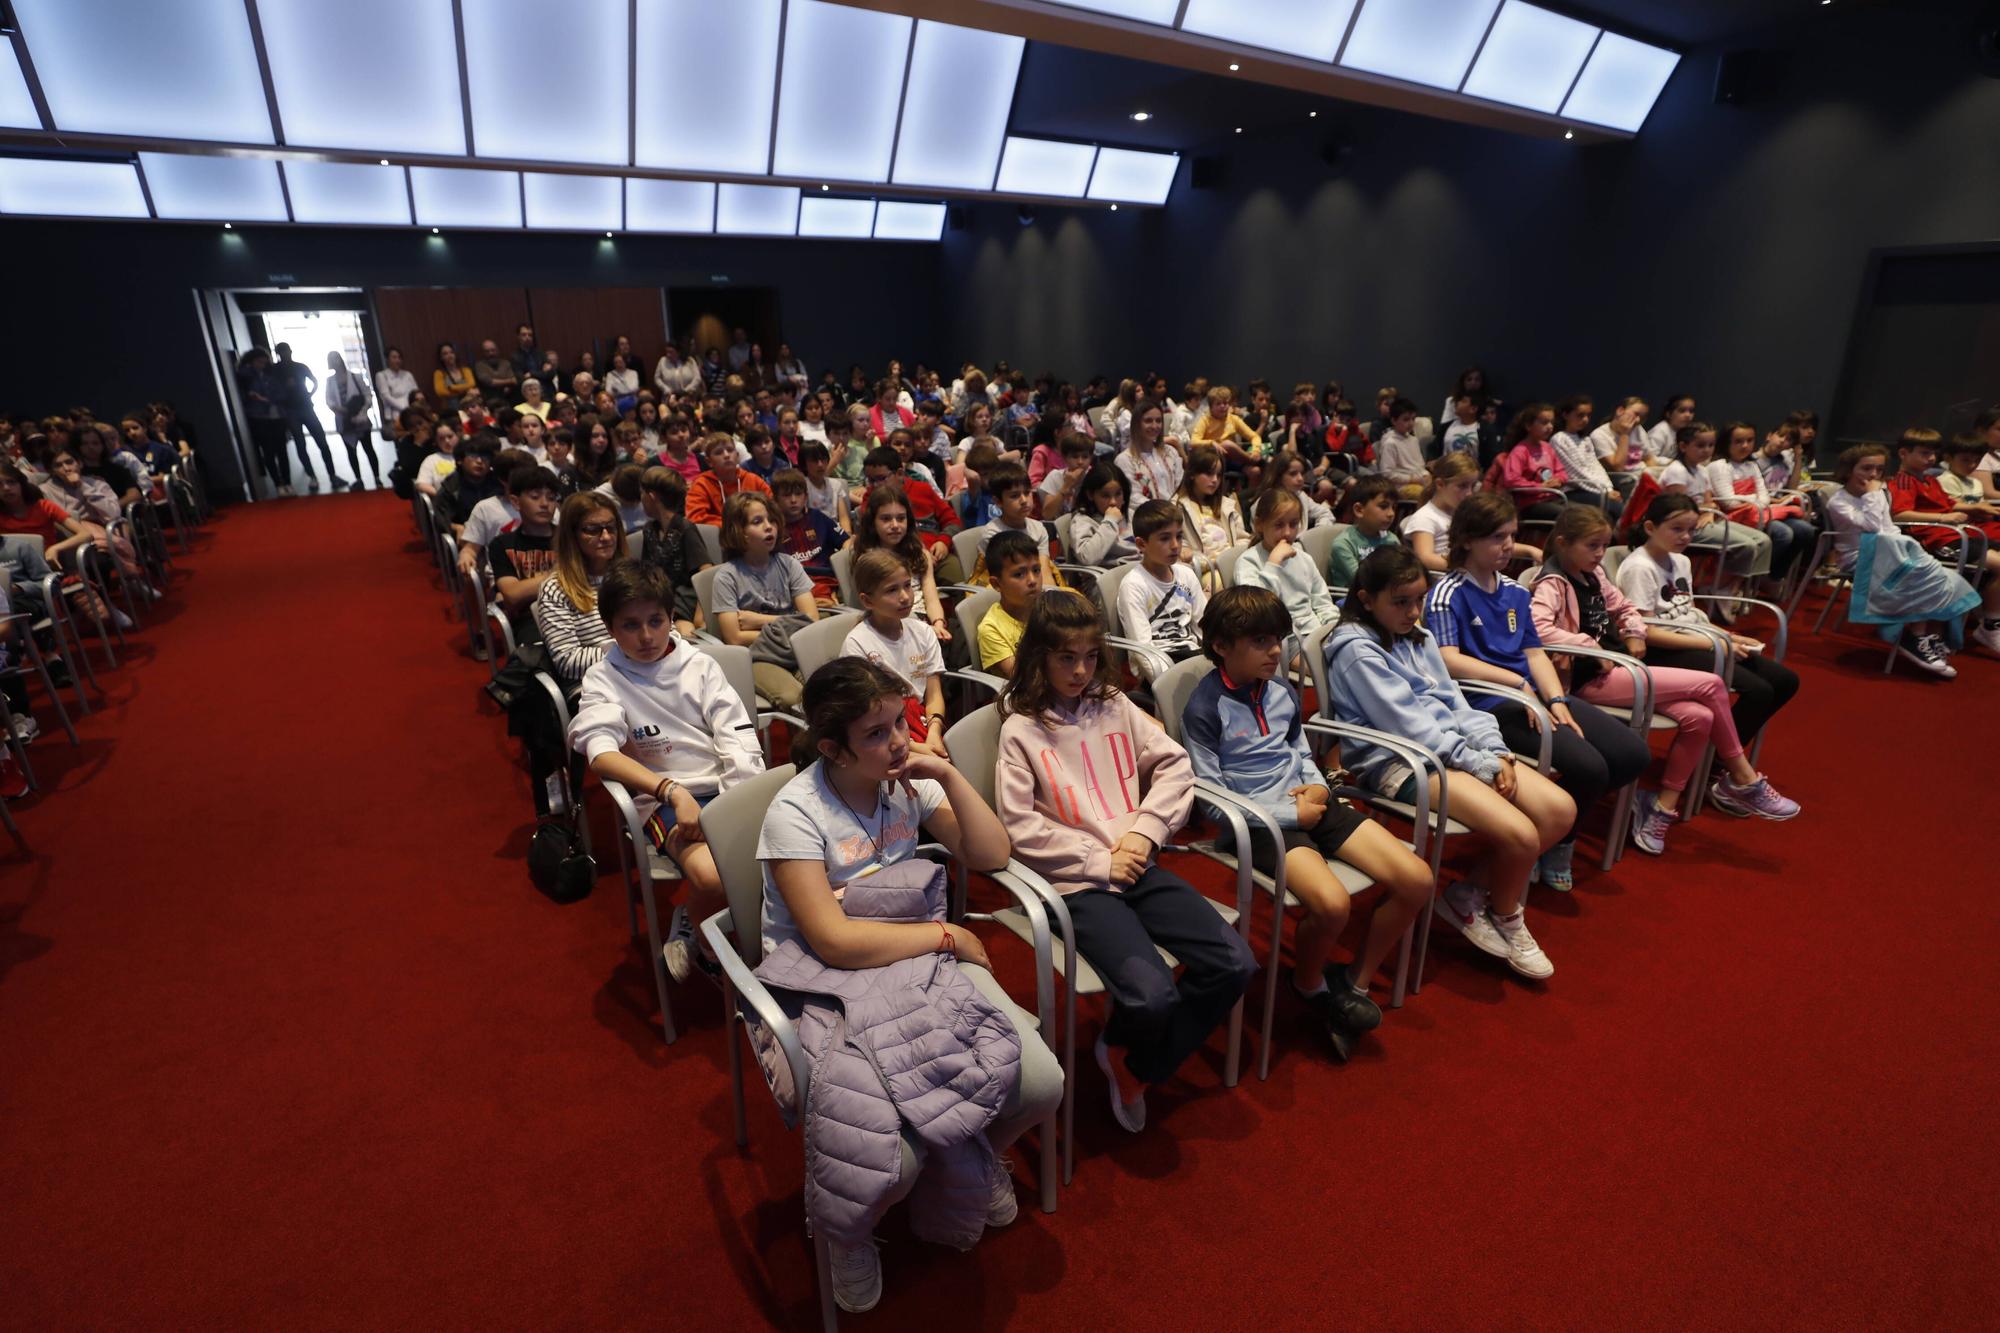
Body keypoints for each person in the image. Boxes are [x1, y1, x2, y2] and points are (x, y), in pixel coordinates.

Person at [758, 656, 1061, 1313]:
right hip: (823, 977)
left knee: (1042, 1085)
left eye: (902, 721)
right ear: (833, 747)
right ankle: (849, 1231)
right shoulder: (795, 812)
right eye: (877, 732)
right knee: (893, 1159)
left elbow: (990, 854)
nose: (899, 740)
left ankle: (972, 1151)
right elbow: (831, 939)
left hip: (909, 959)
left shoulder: (906, 781)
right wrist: (945, 936)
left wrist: (946, 773)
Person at [995, 589, 1255, 1132]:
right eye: (1066, 657)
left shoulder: (1113, 703)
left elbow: (1176, 767)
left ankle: (1133, 1060)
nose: (1081, 669)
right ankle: (1133, 1044)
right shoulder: (1020, 729)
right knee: (1152, 996)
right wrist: (1097, 861)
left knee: (1235, 964)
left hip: (1137, 862)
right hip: (1078, 885)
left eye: (1090, 656)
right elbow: (1019, 828)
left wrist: (1145, 833)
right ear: (1040, 655)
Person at [1184, 586, 1431, 1056]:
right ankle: (1310, 983)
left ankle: (1352, 986)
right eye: (1260, 641)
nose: (1276, 650)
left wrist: (1318, 785)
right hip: (1254, 821)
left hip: (1308, 800)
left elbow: (1299, 752)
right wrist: (1287, 813)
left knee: (1416, 879)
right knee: (1333, 904)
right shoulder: (1203, 707)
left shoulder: (1279, 691)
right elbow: (1211, 802)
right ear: (1220, 646)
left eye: (1277, 638)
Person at [1327, 547, 1570, 978]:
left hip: (1453, 751)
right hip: (1399, 762)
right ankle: (1508, 914)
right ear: (1366, 599)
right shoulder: (1354, 649)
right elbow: (1409, 727)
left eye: (1419, 599)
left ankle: (1469, 894)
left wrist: (1494, 751)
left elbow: (1457, 704)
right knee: (1522, 836)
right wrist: (1479, 763)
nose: (1413, 611)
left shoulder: (1417, 637)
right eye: (1400, 602)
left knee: (1559, 811)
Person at [1530, 505, 1799, 854]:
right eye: (1592, 547)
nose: (1600, 555)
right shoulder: (1552, 581)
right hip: (1586, 679)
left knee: (1700, 716)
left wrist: (1633, 631)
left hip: (1617, 667)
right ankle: (1742, 777)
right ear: (1564, 544)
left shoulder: (1593, 575)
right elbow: (1538, 630)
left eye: (1603, 547)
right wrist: (1589, 646)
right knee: (1712, 684)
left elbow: (1625, 608)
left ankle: (1659, 807)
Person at [1424, 492, 1650, 893]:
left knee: (1632, 755)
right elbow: (1448, 661)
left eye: (1510, 535)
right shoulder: (1447, 592)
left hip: (1529, 696)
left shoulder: (1513, 590)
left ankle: (1548, 838)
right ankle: (1544, 842)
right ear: (1466, 540)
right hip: (1486, 704)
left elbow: (1533, 652)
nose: (1507, 546)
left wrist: (1557, 699)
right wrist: (1519, 685)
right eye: (1496, 537)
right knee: (1590, 768)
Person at [570, 560, 760, 982]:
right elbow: (600, 754)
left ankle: (735, 925)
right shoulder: (604, 678)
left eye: (656, 621)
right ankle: (709, 946)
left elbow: (736, 736)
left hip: (727, 787)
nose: (646, 636)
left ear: (670, 618)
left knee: (794, 851)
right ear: (610, 627)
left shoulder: (700, 665)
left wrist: (733, 803)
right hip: (663, 799)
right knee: (711, 878)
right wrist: (673, 792)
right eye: (630, 625)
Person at [1615, 493, 1803, 760]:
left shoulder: (1681, 560)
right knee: (1759, 691)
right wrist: (1718, 644)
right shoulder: (1639, 567)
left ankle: (1716, 758)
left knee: (1786, 681)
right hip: (1663, 650)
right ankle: (1718, 762)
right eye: (1676, 529)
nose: (1685, 537)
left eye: (1691, 530)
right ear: (1650, 528)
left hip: (1697, 639)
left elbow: (1686, 612)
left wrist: (1728, 635)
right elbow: (1647, 631)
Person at [1885, 426, 2000, 653]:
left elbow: (1948, 503)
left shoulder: (1929, 480)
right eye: (1924, 453)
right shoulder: (1904, 481)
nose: (1931, 459)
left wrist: (1973, 506)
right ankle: (1991, 625)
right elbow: (1899, 514)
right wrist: (1943, 518)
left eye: (1933, 454)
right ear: (1903, 454)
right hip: (1938, 542)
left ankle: (1990, 620)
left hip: (1960, 535)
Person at [711, 492, 819, 710]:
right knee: (793, 698)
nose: (769, 527)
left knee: (826, 688)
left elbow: (811, 620)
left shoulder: (788, 564)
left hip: (793, 649)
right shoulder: (727, 576)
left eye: (771, 520)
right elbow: (734, 638)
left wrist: (758, 619)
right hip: (759, 657)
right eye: (757, 522)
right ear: (738, 532)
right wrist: (789, 627)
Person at [842, 548, 948, 757]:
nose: (905, 597)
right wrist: (917, 748)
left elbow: (933, 694)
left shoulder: (924, 631)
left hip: (924, 723)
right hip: (884, 732)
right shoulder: (857, 643)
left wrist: (934, 733)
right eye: (892, 590)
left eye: (907, 585)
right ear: (867, 601)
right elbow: (867, 716)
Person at [1658, 421, 1775, 583]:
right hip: (1685, 527)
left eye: (1710, 445)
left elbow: (1709, 502)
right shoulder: (1676, 471)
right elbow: (1680, 510)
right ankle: (1720, 586)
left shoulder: (1702, 470)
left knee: (1763, 541)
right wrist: (1708, 509)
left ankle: (1735, 586)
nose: (1706, 450)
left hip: (1705, 519)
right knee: (1747, 545)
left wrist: (1708, 511)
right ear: (1683, 446)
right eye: (1700, 445)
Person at [532, 490, 623, 689]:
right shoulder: (556, 589)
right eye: (592, 529)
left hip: (645, 670)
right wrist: (630, 651)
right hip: (596, 685)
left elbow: (667, 629)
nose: (606, 537)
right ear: (572, 536)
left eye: (611, 527)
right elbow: (567, 662)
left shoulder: (632, 574)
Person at [1719, 421, 1817, 590]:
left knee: (1805, 530)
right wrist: (1765, 500)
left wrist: (1798, 458)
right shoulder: (1754, 461)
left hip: (1770, 507)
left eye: (1788, 441)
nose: (1782, 442)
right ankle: (1750, 580)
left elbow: (1788, 489)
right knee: (1783, 533)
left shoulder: (1782, 462)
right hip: (1752, 509)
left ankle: (1772, 575)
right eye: (1780, 436)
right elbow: (1735, 498)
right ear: (1769, 435)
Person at [1116, 499, 1207, 673]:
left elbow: (1205, 626)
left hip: (1192, 655)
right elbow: (1144, 653)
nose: (1175, 545)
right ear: (1142, 544)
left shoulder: (1186, 574)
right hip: (1160, 662)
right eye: (1165, 538)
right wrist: (1164, 691)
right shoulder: (1134, 585)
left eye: (1179, 536)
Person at [854, 483, 953, 641]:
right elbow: (878, 610)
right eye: (886, 519)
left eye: (901, 518)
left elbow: (931, 596)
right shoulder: (868, 561)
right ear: (873, 522)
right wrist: (923, 629)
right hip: (893, 625)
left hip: (927, 622)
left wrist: (938, 623)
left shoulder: (920, 554)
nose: (895, 525)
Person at [1238, 488, 1338, 639]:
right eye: (1279, 525)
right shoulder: (1248, 561)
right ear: (1259, 525)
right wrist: (1273, 563)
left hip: (1314, 632)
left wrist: (1333, 628)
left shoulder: (1304, 558)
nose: (1287, 533)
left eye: (1293, 524)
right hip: (1280, 637)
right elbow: (1256, 610)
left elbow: (1323, 603)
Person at [488, 465, 560, 640]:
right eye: (535, 497)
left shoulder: (569, 538)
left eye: (551, 498)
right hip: (531, 622)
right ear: (515, 502)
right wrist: (563, 574)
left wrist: (530, 586)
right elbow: (513, 595)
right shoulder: (502, 544)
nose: (544, 504)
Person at [1175, 445, 1248, 590]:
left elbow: (1242, 538)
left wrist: (1234, 558)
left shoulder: (1227, 505)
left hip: (1233, 563)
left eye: (1219, 475)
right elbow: (1182, 549)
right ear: (1192, 474)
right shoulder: (1178, 507)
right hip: (1206, 570)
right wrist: (1212, 562)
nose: (1215, 480)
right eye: (1209, 474)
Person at [975, 529, 1042, 678]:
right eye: (1019, 574)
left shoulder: (1049, 608)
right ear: (996, 584)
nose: (1032, 580)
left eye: (1036, 570)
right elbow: (1023, 678)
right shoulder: (991, 628)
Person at [772, 468, 844, 605]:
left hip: (826, 582)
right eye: (787, 496)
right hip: (792, 588)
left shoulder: (818, 518)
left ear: (806, 497)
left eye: (798, 494)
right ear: (775, 499)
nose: (793, 500)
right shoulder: (772, 528)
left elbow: (847, 542)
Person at [273, 343, 336, 492]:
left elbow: (314, 381)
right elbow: (314, 382)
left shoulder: (297, 367)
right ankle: (314, 476)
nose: (285, 355)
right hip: (293, 410)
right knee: (302, 445)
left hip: (304, 407)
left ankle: (330, 475)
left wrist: (309, 394)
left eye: (285, 352)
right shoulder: (277, 370)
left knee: (320, 442)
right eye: (282, 353)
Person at [1403, 454, 1480, 574]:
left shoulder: (1464, 514)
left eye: (1473, 486)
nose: (1469, 493)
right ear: (1440, 484)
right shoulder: (1425, 517)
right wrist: (1469, 566)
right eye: (1462, 486)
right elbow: (1425, 558)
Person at [1325, 476, 1400, 590]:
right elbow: (1362, 583)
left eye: (1393, 507)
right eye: (1383, 506)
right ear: (1359, 510)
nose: (1391, 513)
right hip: (1348, 600)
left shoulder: (1391, 540)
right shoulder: (1343, 544)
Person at [1497, 403, 1568, 522]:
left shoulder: (1548, 448)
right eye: (1544, 422)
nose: (1550, 427)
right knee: (1570, 517)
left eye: (1551, 422)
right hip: (1530, 504)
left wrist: (1558, 479)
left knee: (1585, 513)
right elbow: (1512, 480)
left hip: (1552, 498)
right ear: (1528, 426)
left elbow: (1561, 472)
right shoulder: (1520, 451)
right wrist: (1540, 487)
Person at [685, 432, 773, 527]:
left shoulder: (753, 479)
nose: (726, 455)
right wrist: (735, 526)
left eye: (730, 450)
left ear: (737, 456)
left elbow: (773, 507)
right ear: (709, 461)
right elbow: (695, 517)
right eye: (719, 452)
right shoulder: (701, 484)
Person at [324, 351, 378, 491]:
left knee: (368, 448)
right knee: (350, 451)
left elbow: (367, 395)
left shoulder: (355, 377)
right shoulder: (330, 381)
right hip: (344, 420)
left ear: (341, 360)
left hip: (360, 418)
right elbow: (329, 400)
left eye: (336, 358)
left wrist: (363, 411)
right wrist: (337, 409)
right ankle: (358, 479)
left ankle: (377, 478)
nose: (335, 361)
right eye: (332, 359)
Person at [1066, 461, 1136, 567]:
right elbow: (1087, 558)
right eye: (1105, 496)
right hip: (1108, 576)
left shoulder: (1130, 514)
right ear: (1090, 495)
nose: (1113, 502)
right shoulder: (1082, 521)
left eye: (1118, 494)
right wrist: (1110, 521)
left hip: (1138, 569)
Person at [1115, 398, 1185, 506]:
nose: (1154, 426)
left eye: (1158, 421)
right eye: (1148, 421)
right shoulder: (1124, 459)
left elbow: (1182, 485)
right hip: (1147, 517)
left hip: (1176, 511)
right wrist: (1165, 509)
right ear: (1136, 424)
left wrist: (1176, 506)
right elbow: (1133, 497)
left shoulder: (1170, 452)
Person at [1373, 397, 1427, 501]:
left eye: (1413, 419)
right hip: (1401, 487)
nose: (1411, 423)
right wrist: (1412, 479)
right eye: (1406, 419)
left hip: (1418, 480)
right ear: (1393, 420)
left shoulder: (1414, 440)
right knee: (1425, 495)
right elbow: (1387, 474)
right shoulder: (1390, 443)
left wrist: (1425, 475)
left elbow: (1420, 465)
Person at [1035, 432, 1095, 520]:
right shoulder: (1054, 476)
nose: (1080, 462)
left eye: (1085, 457)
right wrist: (1066, 486)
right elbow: (1047, 515)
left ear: (1091, 458)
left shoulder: (1094, 477)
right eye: (1075, 457)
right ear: (1064, 458)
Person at [374, 346, 418, 426]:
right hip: (394, 415)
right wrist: (404, 408)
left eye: (399, 358)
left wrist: (412, 407)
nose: (397, 360)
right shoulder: (382, 375)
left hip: (412, 412)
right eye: (394, 357)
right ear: (387, 359)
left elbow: (416, 393)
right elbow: (386, 397)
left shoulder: (407, 374)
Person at [434, 342, 478, 412]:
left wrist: (453, 387)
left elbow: (472, 384)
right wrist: (466, 390)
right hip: (452, 408)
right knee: (453, 401)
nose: (449, 355)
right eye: (445, 354)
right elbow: (441, 392)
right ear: (441, 357)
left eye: (451, 352)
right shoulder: (440, 373)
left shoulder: (465, 370)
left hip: (468, 403)